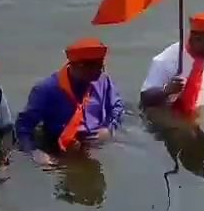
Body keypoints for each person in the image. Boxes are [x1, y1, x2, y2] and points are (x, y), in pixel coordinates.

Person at [15, 38, 125, 166]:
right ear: (77, 66)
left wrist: (109, 130)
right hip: (59, 145)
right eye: (95, 67)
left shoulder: (103, 80)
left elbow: (117, 107)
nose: (100, 72)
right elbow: (23, 127)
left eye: (101, 66)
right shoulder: (46, 89)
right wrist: (34, 152)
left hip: (96, 141)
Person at [140, 12, 204, 115]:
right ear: (197, 39)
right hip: (169, 120)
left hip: (202, 116)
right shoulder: (165, 61)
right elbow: (144, 99)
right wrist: (166, 91)